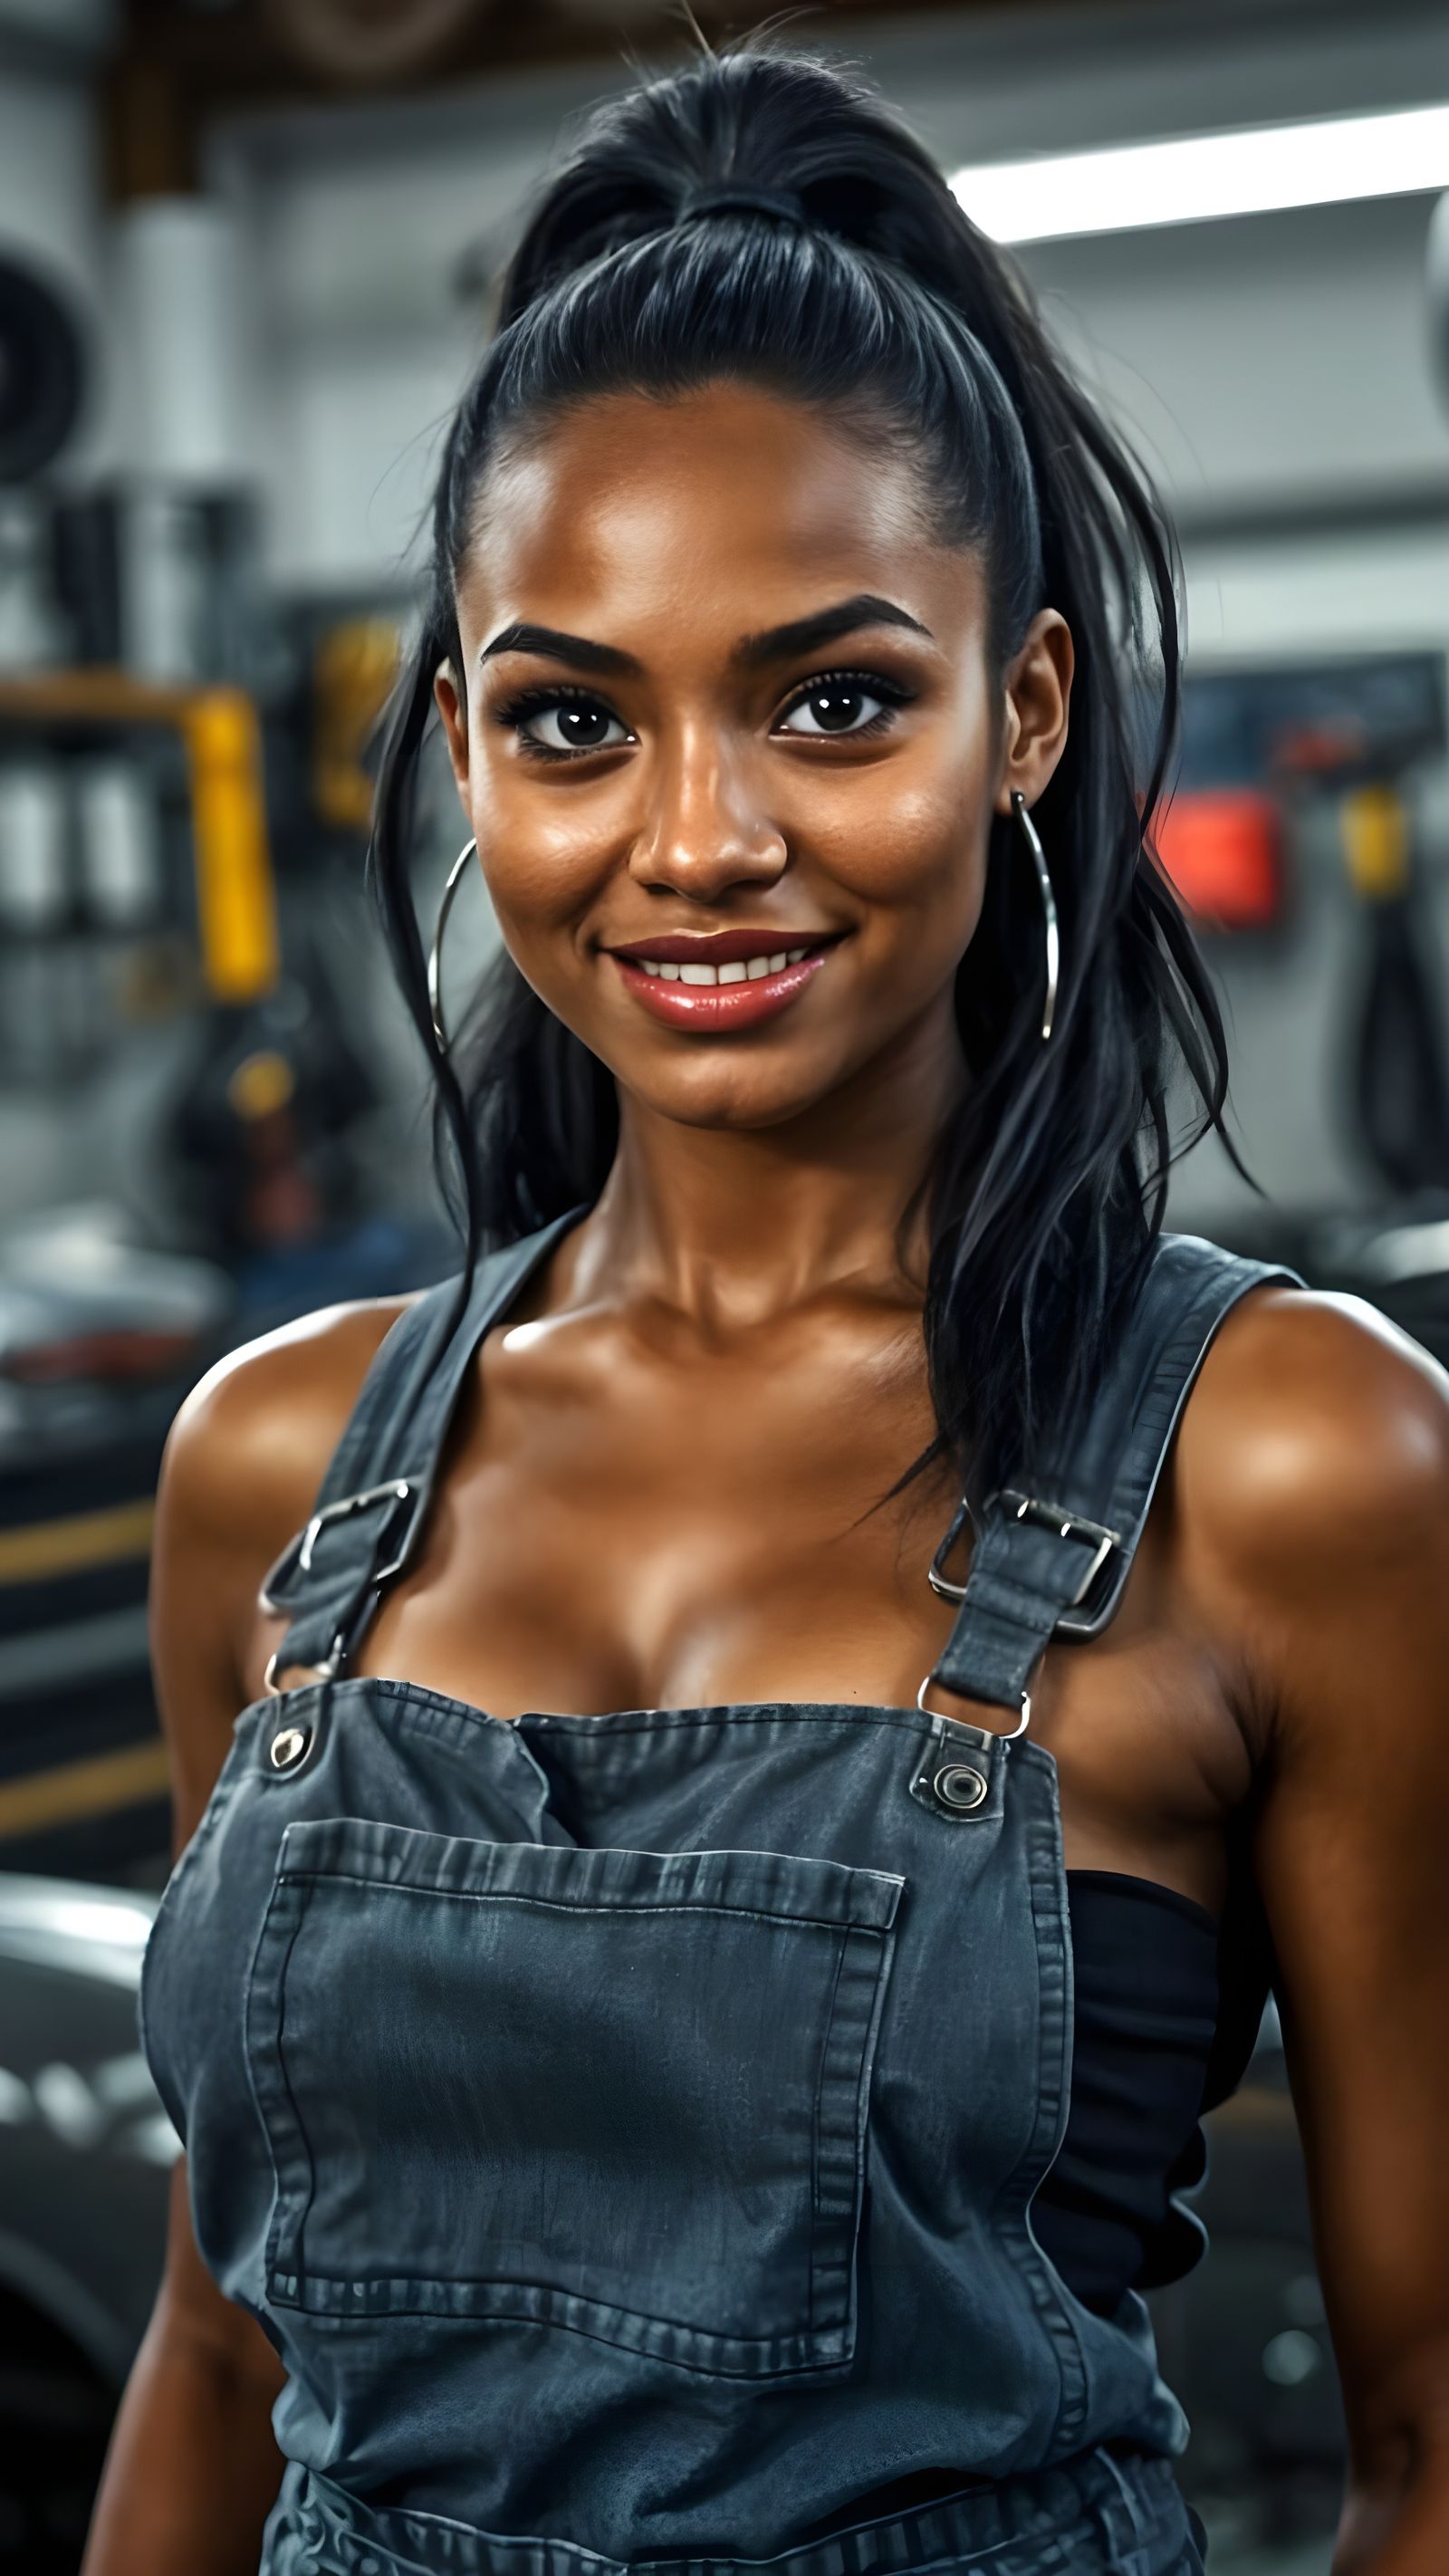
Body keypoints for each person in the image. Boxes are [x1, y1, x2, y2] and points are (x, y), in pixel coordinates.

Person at [84, 43, 1449, 2576]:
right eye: (574, 719)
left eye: (833, 699)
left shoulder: (1293, 1467)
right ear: (469, 752)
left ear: (1021, 712)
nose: (698, 840)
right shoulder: (279, 1471)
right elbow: (225, 2341)